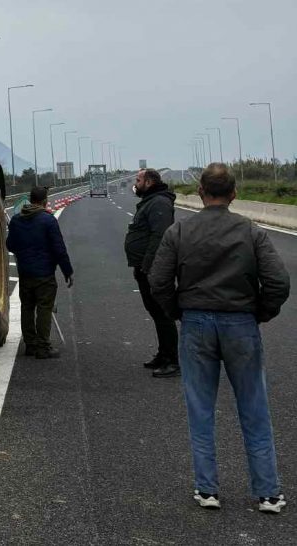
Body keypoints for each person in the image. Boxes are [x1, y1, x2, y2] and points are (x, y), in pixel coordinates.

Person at [149, 163, 290, 514]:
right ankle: (268, 494)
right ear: (234, 194)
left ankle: (207, 489)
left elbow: (159, 281)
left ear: (200, 192)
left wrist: (178, 311)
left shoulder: (179, 232)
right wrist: (260, 313)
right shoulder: (251, 232)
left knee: (201, 409)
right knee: (254, 408)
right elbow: (279, 282)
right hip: (241, 323)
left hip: (196, 323)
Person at [6, 185, 74, 359]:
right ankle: (43, 347)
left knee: (27, 308)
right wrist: (68, 271)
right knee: (44, 308)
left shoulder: (16, 220)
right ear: (45, 201)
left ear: (30, 199)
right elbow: (59, 249)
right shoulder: (48, 220)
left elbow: (10, 245)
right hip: (44, 274)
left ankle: (30, 345)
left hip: (25, 273)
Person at [124, 167, 178, 377]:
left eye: (138, 180)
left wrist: (147, 266)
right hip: (145, 267)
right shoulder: (151, 201)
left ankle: (172, 360)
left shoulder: (159, 203)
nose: (135, 184)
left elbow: (159, 237)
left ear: (149, 183)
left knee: (163, 314)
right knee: (155, 313)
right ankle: (163, 354)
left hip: (154, 269)